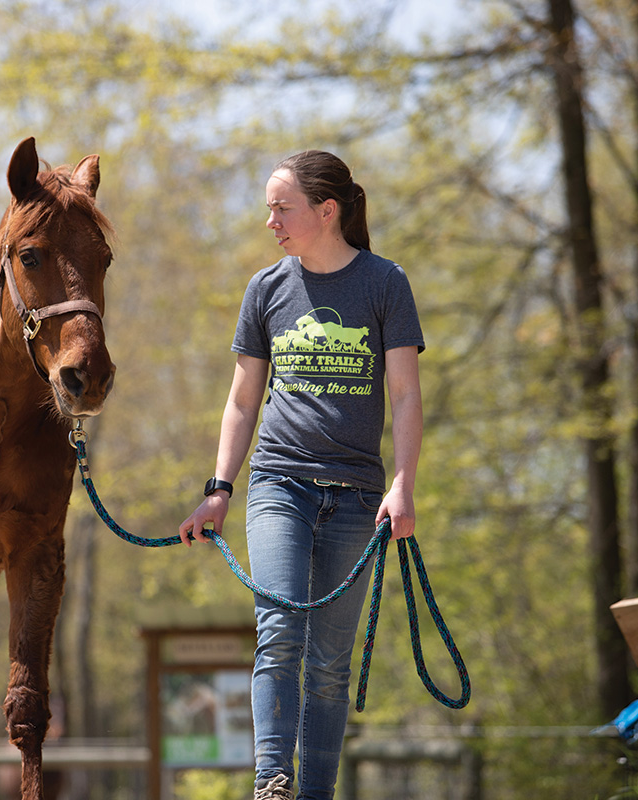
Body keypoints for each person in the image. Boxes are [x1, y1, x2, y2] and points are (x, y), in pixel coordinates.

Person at [178, 150, 424, 800]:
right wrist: (218, 490)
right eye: (269, 208)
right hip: (277, 485)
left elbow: (404, 396)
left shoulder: (384, 284)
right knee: (279, 631)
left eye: (281, 208)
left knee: (329, 668)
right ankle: (270, 783)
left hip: (357, 497)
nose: (271, 221)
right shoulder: (266, 290)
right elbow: (240, 401)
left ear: (327, 210)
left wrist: (403, 484)